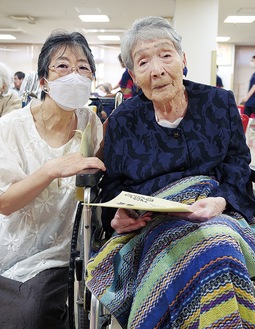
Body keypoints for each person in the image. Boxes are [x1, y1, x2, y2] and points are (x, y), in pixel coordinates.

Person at [86, 16, 255, 328]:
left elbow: (238, 168)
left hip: (219, 214)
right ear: (134, 75)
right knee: (216, 248)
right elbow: (112, 187)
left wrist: (219, 202)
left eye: (166, 55)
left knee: (218, 241)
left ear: (183, 60)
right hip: (154, 227)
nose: (158, 69)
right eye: (143, 61)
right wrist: (117, 216)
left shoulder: (218, 103)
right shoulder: (123, 121)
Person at [0, 30, 105, 329]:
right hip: (10, 246)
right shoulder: (10, 128)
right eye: (62, 66)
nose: (75, 74)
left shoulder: (90, 123)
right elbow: (5, 203)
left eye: (83, 67)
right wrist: (51, 170)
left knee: (30, 315)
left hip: (58, 253)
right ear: (43, 80)